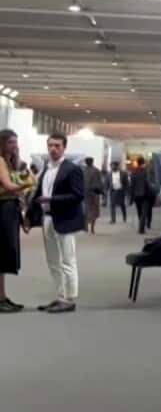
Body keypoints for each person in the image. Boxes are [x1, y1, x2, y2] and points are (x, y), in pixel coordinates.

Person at [26, 133, 86, 314]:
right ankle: (60, 296)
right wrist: (29, 216)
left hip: (65, 219)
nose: (53, 149)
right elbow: (37, 194)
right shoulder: (46, 169)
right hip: (48, 219)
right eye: (50, 145)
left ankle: (70, 298)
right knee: (53, 261)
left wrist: (52, 199)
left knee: (68, 260)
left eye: (57, 146)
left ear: (64, 148)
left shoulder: (72, 169)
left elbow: (78, 195)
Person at [0, 129, 35, 313]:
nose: (14, 146)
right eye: (10, 142)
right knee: (2, 256)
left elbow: (18, 190)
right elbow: (8, 186)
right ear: (2, 143)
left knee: (4, 258)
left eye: (15, 142)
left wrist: (23, 217)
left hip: (11, 210)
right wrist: (26, 184)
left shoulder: (12, 164)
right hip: (2, 212)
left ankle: (2, 297)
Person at [129, 157, 157, 233]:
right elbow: (149, 183)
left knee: (140, 212)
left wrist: (131, 198)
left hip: (137, 195)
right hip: (146, 195)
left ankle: (142, 225)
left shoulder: (133, 172)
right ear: (144, 162)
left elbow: (132, 186)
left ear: (137, 163)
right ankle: (142, 227)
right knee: (144, 212)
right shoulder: (147, 171)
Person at [82, 157, 104, 234]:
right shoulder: (96, 170)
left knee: (86, 210)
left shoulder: (83, 171)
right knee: (93, 211)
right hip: (93, 193)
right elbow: (100, 182)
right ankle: (91, 228)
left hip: (87, 194)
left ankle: (87, 228)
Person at [107, 160, 130, 224]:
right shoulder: (109, 174)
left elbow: (127, 183)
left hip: (121, 191)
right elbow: (107, 183)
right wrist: (105, 191)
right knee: (112, 205)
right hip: (113, 191)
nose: (112, 167)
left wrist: (127, 192)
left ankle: (124, 217)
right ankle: (113, 219)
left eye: (114, 165)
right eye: (111, 166)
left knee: (122, 205)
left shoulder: (123, 173)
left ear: (117, 166)